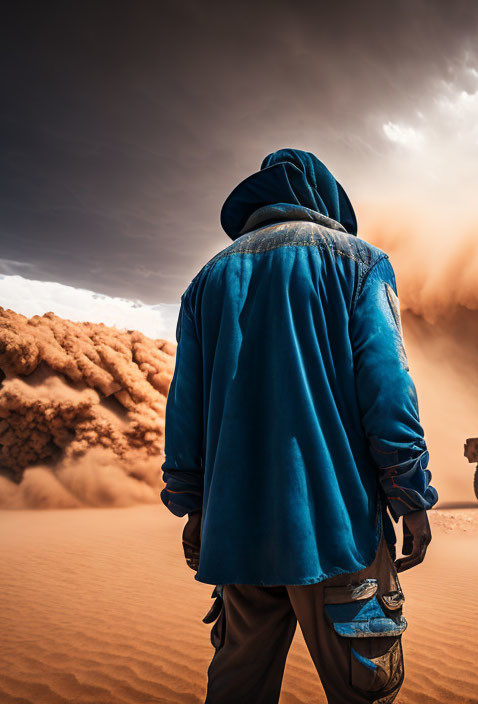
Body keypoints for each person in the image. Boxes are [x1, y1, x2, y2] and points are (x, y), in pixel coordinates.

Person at [161, 148, 438, 704]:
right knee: (366, 691)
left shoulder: (206, 282)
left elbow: (183, 411)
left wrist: (194, 509)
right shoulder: (361, 264)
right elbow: (389, 393)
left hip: (236, 536)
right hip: (339, 534)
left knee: (238, 688)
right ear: (324, 197)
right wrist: (410, 497)